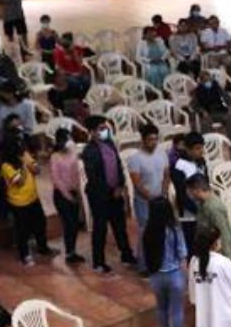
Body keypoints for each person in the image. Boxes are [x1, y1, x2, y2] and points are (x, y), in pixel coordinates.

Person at [81, 116, 136, 274]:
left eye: (105, 128)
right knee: (100, 228)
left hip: (115, 193)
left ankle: (126, 255)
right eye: (101, 129)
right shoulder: (89, 151)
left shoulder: (110, 144)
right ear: (92, 132)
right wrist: (109, 190)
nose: (104, 131)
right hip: (100, 196)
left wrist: (120, 185)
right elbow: (94, 177)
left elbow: (118, 165)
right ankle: (98, 261)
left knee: (120, 227)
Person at [143, 197, 189, 327]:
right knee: (176, 310)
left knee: (161, 308)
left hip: (156, 275)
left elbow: (144, 255)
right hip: (174, 274)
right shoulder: (174, 229)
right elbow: (182, 253)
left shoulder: (147, 230)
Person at [0, 133, 51, 266]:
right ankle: (25, 255)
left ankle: (43, 248)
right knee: (23, 230)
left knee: (40, 223)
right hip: (19, 202)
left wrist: (33, 165)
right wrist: (23, 164)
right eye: (18, 145)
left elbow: (37, 170)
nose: (22, 147)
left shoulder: (25, 154)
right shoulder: (6, 165)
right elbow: (19, 182)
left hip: (33, 197)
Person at [127, 123, 170, 256]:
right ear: (143, 140)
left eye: (155, 139)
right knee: (145, 231)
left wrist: (163, 193)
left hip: (160, 198)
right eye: (150, 139)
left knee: (161, 230)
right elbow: (137, 183)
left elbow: (166, 175)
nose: (153, 143)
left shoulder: (162, 154)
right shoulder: (135, 159)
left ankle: (160, 259)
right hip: (144, 201)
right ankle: (144, 264)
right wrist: (150, 197)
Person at [50, 128, 83, 265]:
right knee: (68, 223)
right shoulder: (55, 157)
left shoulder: (74, 154)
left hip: (74, 192)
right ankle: (69, 252)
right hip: (61, 195)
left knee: (74, 224)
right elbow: (56, 179)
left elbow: (77, 174)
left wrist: (78, 193)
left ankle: (72, 251)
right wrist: (68, 196)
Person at [170, 132, 208, 250]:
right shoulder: (179, 166)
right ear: (187, 149)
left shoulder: (202, 162)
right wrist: (197, 210)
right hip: (189, 212)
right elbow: (181, 193)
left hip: (204, 207)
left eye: (202, 148)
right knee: (192, 245)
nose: (200, 151)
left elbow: (206, 182)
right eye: (197, 149)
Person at [189, 175, 231, 260]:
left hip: (218, 255)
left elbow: (224, 233)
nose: (189, 194)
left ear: (197, 190)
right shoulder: (202, 204)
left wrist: (228, 259)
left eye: (190, 191)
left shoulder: (213, 207)